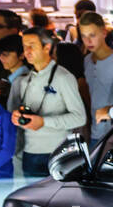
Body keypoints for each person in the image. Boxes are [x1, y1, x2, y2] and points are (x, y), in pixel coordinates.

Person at [8, 28, 86, 179]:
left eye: (32, 45)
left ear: (47, 47)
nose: (27, 51)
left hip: (57, 152)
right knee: (34, 201)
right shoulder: (25, 80)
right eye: (24, 46)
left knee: (62, 201)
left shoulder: (64, 77)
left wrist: (44, 122)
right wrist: (17, 117)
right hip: (29, 152)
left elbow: (80, 118)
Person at [79, 12, 113, 144]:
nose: (88, 41)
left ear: (104, 33)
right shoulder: (87, 60)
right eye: (83, 36)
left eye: (92, 35)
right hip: (93, 131)